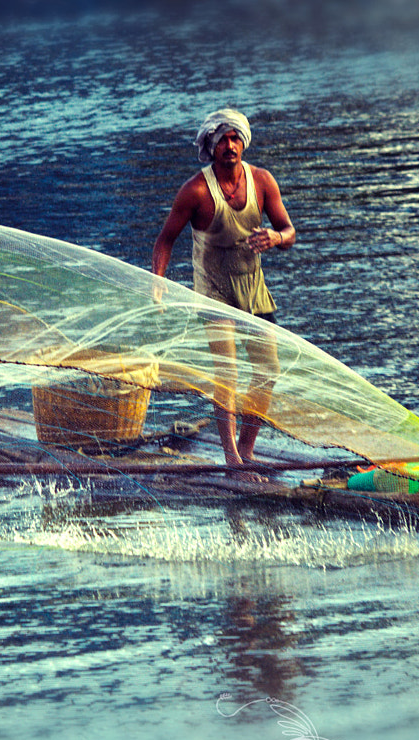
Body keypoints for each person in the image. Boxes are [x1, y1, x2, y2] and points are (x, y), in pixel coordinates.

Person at [151, 109, 296, 471]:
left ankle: (246, 450)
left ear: (243, 143)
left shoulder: (262, 181)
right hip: (213, 291)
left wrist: (277, 237)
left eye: (235, 139)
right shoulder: (196, 191)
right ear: (211, 147)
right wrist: (158, 282)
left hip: (252, 287)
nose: (229, 146)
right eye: (222, 140)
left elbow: (289, 233)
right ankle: (231, 458)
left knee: (269, 369)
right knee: (227, 371)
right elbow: (165, 240)